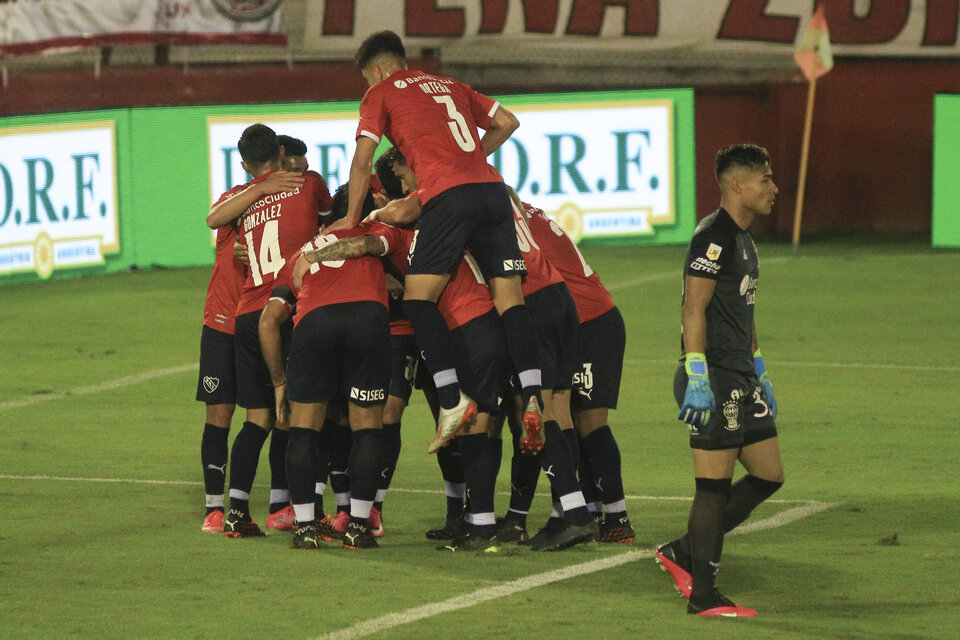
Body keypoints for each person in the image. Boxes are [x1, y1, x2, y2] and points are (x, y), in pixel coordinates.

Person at [331, 30, 545, 458]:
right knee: (510, 299)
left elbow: (360, 161)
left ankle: (451, 399)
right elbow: (508, 122)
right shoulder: (451, 85)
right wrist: (471, 160)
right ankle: (533, 393)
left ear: (376, 70)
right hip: (490, 191)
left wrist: (352, 221)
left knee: (418, 298)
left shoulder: (382, 93)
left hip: (447, 197)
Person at [656, 143, 784, 617]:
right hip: (714, 376)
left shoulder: (745, 239)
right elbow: (694, 308)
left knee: (769, 474)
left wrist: (761, 368)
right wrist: (696, 375)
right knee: (712, 487)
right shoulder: (714, 237)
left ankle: (684, 551)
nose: (773, 188)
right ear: (736, 185)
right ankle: (703, 595)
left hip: (741, 375)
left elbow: (742, 311)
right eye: (764, 180)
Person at [206, 123, 332, 538]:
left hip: (246, 314)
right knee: (301, 415)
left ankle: (237, 511)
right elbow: (334, 223)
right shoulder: (308, 182)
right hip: (289, 307)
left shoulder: (246, 202)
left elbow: (214, 220)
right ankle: (302, 511)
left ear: (246, 164)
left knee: (257, 417)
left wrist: (259, 190)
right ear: (281, 151)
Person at [520, 196, 634, 544]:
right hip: (578, 320)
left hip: (589, 321)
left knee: (589, 423)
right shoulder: (521, 210)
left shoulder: (498, 219)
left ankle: (616, 517)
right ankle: (588, 508)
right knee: (568, 415)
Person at [196, 201, 247, 533]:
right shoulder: (240, 197)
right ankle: (214, 507)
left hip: (264, 319)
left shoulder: (297, 199)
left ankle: (280, 503)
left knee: (273, 412)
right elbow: (212, 218)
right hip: (221, 322)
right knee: (219, 413)